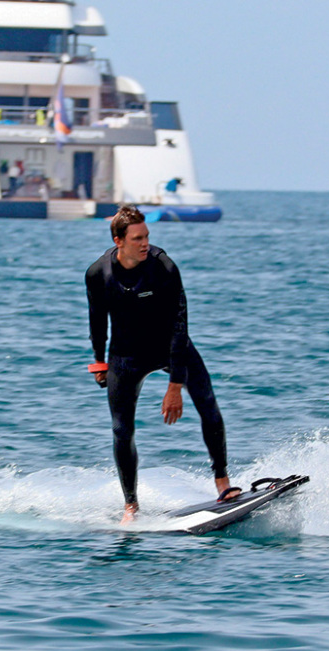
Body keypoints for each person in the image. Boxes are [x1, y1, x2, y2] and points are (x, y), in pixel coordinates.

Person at [84, 205, 239, 524]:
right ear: (119, 241)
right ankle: (131, 505)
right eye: (137, 238)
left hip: (170, 346)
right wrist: (99, 361)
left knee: (207, 404)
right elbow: (97, 320)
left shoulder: (163, 267)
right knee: (121, 429)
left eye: (147, 236)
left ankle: (222, 483)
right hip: (125, 355)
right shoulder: (98, 273)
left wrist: (175, 386)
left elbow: (180, 325)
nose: (145, 244)